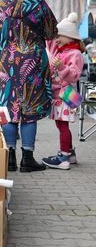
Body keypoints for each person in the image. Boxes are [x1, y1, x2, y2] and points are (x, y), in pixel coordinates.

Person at [0, 0, 57, 172]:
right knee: (29, 111)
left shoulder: (0, 3)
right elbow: (51, 32)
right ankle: (28, 158)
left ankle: (10, 158)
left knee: (9, 109)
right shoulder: (39, 3)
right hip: (33, 62)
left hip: (7, 63)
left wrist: (2, 49)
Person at [42, 13, 84, 170]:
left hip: (65, 94)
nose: (57, 38)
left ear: (70, 37)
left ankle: (64, 157)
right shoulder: (60, 50)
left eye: (60, 35)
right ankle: (71, 154)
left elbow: (74, 76)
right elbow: (49, 40)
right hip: (59, 94)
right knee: (61, 126)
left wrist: (60, 66)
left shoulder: (75, 54)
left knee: (63, 126)